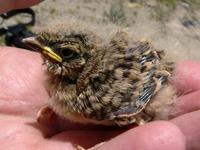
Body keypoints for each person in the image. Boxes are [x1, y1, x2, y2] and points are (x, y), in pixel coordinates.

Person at [0, 1, 200, 149]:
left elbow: (154, 81)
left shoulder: (93, 98)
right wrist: (56, 106)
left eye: (67, 53)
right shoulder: (64, 83)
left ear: (85, 60)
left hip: (151, 79)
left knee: (152, 132)